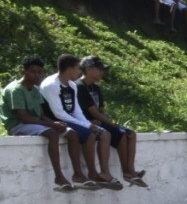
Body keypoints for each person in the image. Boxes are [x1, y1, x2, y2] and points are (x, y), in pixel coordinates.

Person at [40, 54, 121, 189]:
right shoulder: (51, 85)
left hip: (71, 118)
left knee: (104, 133)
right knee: (89, 134)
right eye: (78, 68)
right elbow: (59, 113)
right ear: (70, 69)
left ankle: (102, 173)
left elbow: (77, 111)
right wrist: (87, 126)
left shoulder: (72, 85)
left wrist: (88, 124)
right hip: (57, 120)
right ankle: (87, 173)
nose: (79, 72)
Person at [2, 56, 81, 191]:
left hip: (35, 123)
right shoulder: (16, 90)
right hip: (17, 125)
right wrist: (52, 125)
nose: (37, 75)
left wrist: (55, 123)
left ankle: (79, 174)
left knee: (72, 133)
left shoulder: (35, 89)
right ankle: (59, 176)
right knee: (52, 134)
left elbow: (41, 115)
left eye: (39, 72)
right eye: (33, 72)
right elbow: (24, 118)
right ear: (24, 72)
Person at [76, 55, 146, 186]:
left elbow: (101, 110)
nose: (102, 72)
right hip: (88, 122)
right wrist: (111, 124)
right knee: (120, 133)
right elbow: (93, 111)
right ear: (89, 69)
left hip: (100, 121)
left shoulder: (96, 88)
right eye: (99, 69)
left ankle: (130, 170)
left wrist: (109, 122)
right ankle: (117, 172)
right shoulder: (80, 86)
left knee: (131, 134)